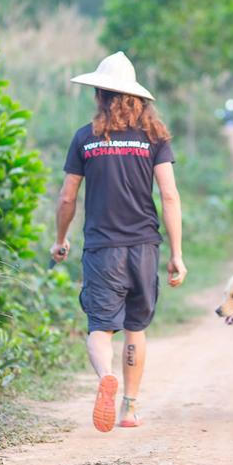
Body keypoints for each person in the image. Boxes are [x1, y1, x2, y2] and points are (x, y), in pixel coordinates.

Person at [51, 51, 187, 432]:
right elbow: (170, 196)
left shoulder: (85, 138)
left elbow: (67, 197)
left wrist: (60, 239)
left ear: (100, 95)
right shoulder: (154, 138)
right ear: (137, 98)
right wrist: (177, 254)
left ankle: (105, 377)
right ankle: (128, 408)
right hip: (144, 246)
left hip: (102, 249)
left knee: (101, 326)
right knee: (135, 327)